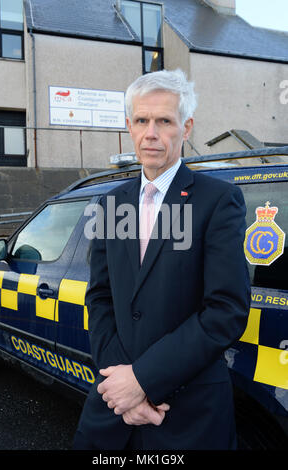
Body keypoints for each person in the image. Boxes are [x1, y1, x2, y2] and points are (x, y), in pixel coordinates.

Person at [73, 69, 251, 450]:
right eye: (141, 120)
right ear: (129, 126)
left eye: (164, 121)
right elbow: (100, 297)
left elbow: (226, 310)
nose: (150, 132)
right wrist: (119, 387)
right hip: (112, 412)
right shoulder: (110, 203)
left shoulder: (217, 201)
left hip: (187, 416)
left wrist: (142, 381)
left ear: (186, 128)